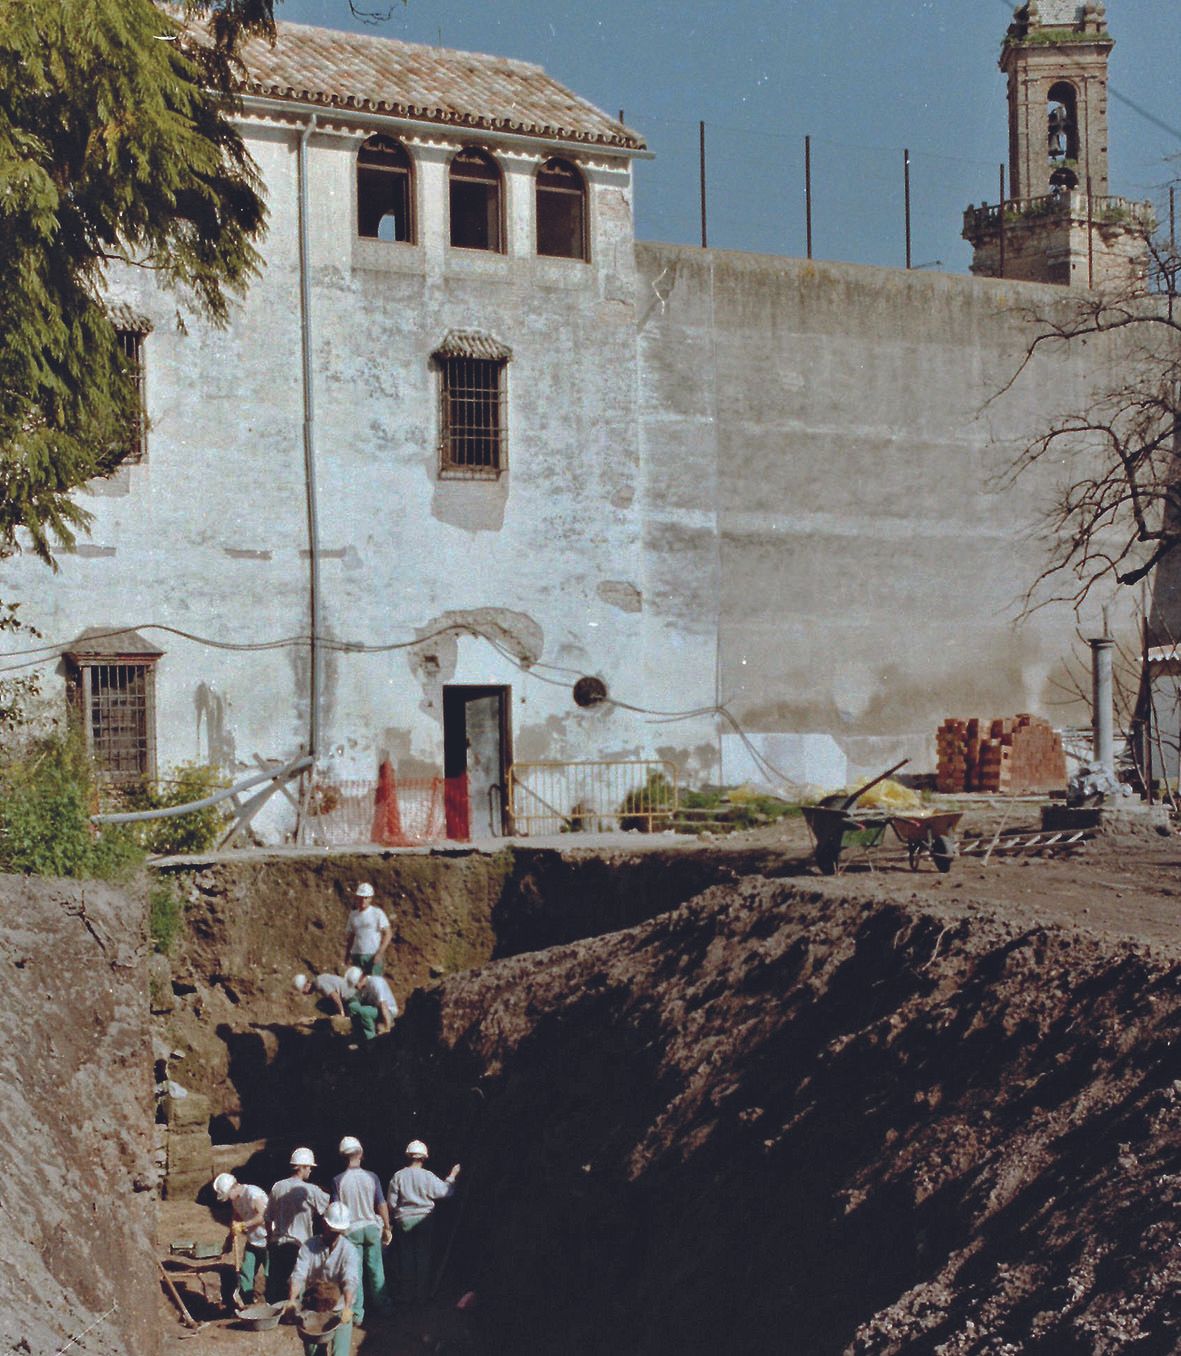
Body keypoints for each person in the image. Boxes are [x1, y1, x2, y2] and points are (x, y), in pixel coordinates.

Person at [386, 1140, 460, 1304]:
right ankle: (421, 1296)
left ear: (408, 1156)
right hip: (425, 1220)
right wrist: (452, 1176)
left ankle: (406, 1295)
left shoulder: (398, 1176)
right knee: (423, 1257)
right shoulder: (428, 1176)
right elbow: (445, 1192)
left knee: (405, 1257)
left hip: (403, 1221)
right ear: (424, 1157)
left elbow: (391, 1203)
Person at [331, 1135, 392, 1323]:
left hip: (351, 1231)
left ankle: (357, 1313)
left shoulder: (337, 1180)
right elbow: (381, 1204)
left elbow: (336, 1209)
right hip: (372, 1227)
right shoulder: (371, 1177)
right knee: (376, 1269)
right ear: (361, 1153)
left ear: (343, 1156)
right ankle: (383, 1307)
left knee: (354, 1272)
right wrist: (387, 1227)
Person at [286, 1200, 359, 1356]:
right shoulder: (309, 1246)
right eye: (331, 1229)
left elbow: (350, 1279)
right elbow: (299, 1274)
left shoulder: (349, 1251)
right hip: (313, 1306)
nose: (333, 1234)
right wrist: (292, 1299)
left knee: (340, 1353)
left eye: (337, 1232)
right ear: (324, 1224)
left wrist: (347, 1306)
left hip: (339, 1308)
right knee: (313, 1352)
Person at [266, 1147, 330, 1303]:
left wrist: (269, 1237)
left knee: (278, 1283)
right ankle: (296, 1311)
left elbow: (268, 1217)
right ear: (303, 1167)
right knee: (298, 1281)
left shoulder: (277, 1186)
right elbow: (330, 1206)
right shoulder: (310, 1190)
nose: (310, 1171)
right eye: (309, 1167)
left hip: (278, 1243)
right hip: (299, 1245)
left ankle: (276, 1313)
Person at [212, 1171, 269, 1309]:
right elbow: (236, 1217)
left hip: (268, 1240)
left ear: (232, 1188)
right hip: (253, 1241)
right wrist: (229, 1239)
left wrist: (244, 1225)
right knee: (246, 1273)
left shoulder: (253, 1194)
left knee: (270, 1275)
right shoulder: (235, 1200)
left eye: (226, 1195)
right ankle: (247, 1305)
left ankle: (273, 1306)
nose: (228, 1199)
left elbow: (263, 1216)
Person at [343, 882, 392, 976]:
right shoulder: (353, 915)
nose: (363, 901)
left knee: (373, 984)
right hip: (357, 955)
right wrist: (347, 955)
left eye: (366, 898)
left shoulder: (377, 913)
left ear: (370, 898)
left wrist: (380, 953)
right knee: (356, 986)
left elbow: (388, 934)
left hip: (372, 955)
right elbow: (351, 937)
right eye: (361, 898)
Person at [343, 966, 399, 1043]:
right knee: (352, 1007)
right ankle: (359, 1035)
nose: (356, 989)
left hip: (388, 1012)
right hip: (375, 1010)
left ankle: (371, 1040)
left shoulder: (376, 983)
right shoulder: (363, 987)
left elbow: (384, 1005)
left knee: (364, 1012)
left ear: (361, 979)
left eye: (356, 986)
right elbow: (357, 1000)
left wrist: (387, 1027)